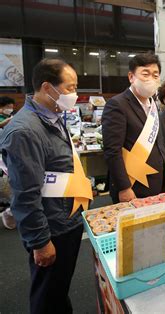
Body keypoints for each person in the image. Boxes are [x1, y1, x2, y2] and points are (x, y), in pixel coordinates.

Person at [0, 58, 93, 313]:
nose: (74, 94)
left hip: (66, 218)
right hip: (51, 229)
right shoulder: (25, 131)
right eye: (70, 88)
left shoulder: (53, 115)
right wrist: (40, 242)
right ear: (46, 88)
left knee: (57, 290)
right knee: (46, 297)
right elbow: (25, 195)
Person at [102, 53, 165, 203]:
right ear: (131, 77)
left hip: (158, 180)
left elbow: (158, 144)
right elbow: (112, 151)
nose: (151, 79)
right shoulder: (117, 104)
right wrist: (124, 187)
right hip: (133, 184)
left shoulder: (153, 104)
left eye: (155, 75)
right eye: (145, 74)